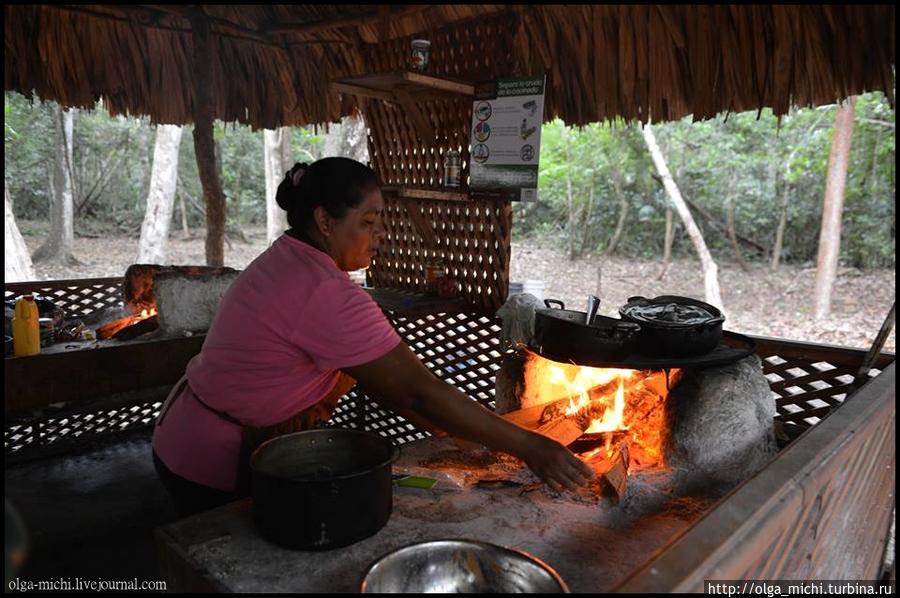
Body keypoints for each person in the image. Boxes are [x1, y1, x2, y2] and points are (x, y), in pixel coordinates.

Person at [152, 157, 593, 516]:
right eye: (368, 222)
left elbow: (392, 388)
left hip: (185, 429)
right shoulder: (324, 292)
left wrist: (459, 436)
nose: (381, 235)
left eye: (381, 221)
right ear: (324, 220)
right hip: (214, 460)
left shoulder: (286, 257)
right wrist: (531, 447)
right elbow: (418, 393)